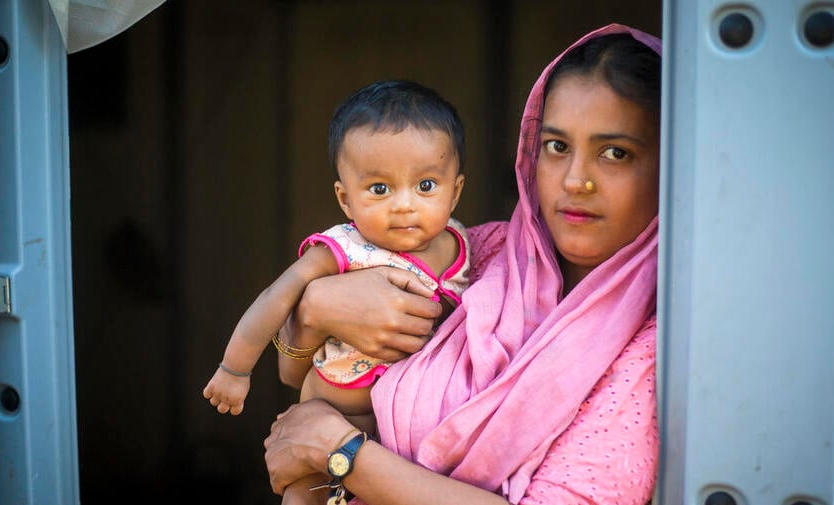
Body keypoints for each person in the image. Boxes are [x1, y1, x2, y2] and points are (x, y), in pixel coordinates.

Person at [265, 23, 662, 505]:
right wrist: (313, 311)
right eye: (557, 147)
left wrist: (338, 452)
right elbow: (302, 374)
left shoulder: (658, 345)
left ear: (670, 163)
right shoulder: (480, 252)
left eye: (615, 153)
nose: (577, 180)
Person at [202, 81, 469, 427]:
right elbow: (275, 298)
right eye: (379, 189)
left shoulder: (464, 243)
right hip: (331, 409)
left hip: (405, 423)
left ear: (456, 191)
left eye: (426, 186)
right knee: (301, 476)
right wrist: (234, 368)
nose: (404, 205)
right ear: (345, 199)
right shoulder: (346, 247)